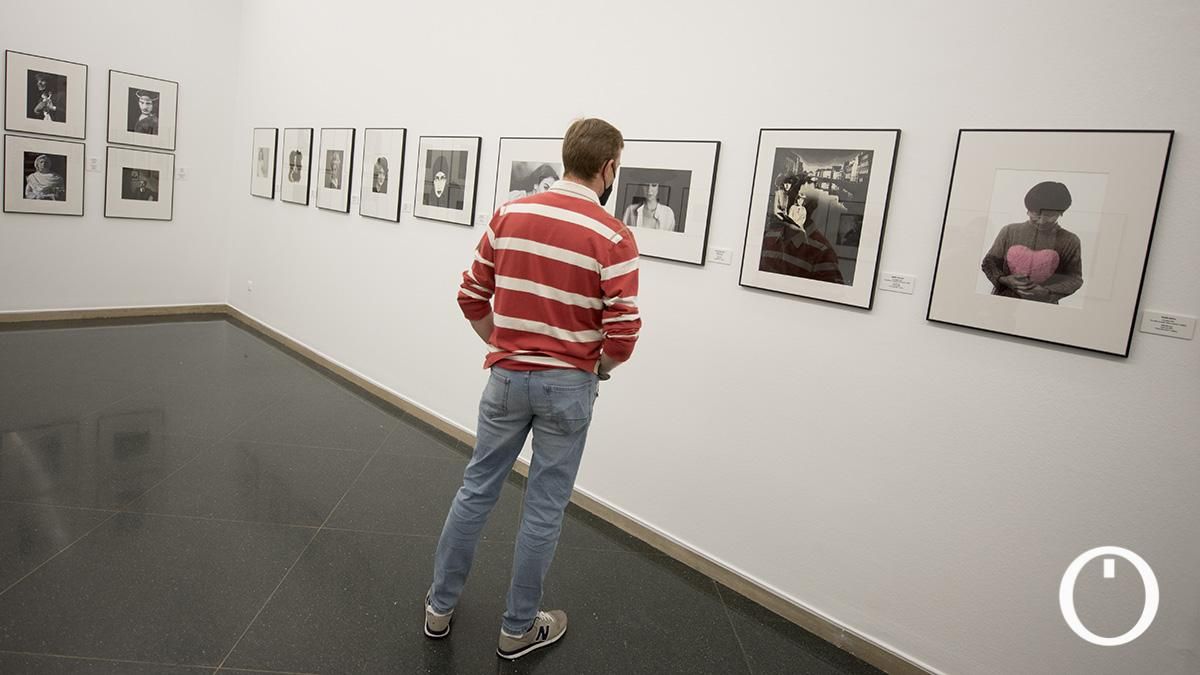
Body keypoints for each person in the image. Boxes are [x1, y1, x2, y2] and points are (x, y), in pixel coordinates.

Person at [425, 118, 640, 661]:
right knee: (543, 507)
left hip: (505, 378)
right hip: (568, 386)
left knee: (476, 490)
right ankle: (518, 628)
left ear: (566, 156)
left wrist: (504, 343)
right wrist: (598, 371)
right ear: (609, 167)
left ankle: (438, 608)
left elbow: (471, 296)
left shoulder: (510, 214)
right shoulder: (613, 236)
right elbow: (624, 334)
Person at [981, 181, 1083, 304]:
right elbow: (989, 262)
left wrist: (1047, 291)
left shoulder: (1070, 240)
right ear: (1028, 209)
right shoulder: (1010, 231)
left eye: (1050, 215)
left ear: (1061, 213)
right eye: (1036, 213)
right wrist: (1004, 279)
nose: (1041, 220)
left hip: (1043, 307)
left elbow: (1074, 278)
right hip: (1003, 301)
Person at [759, 191, 845, 284]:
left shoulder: (823, 252)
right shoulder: (768, 236)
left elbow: (832, 294)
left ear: (813, 206)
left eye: (802, 198)